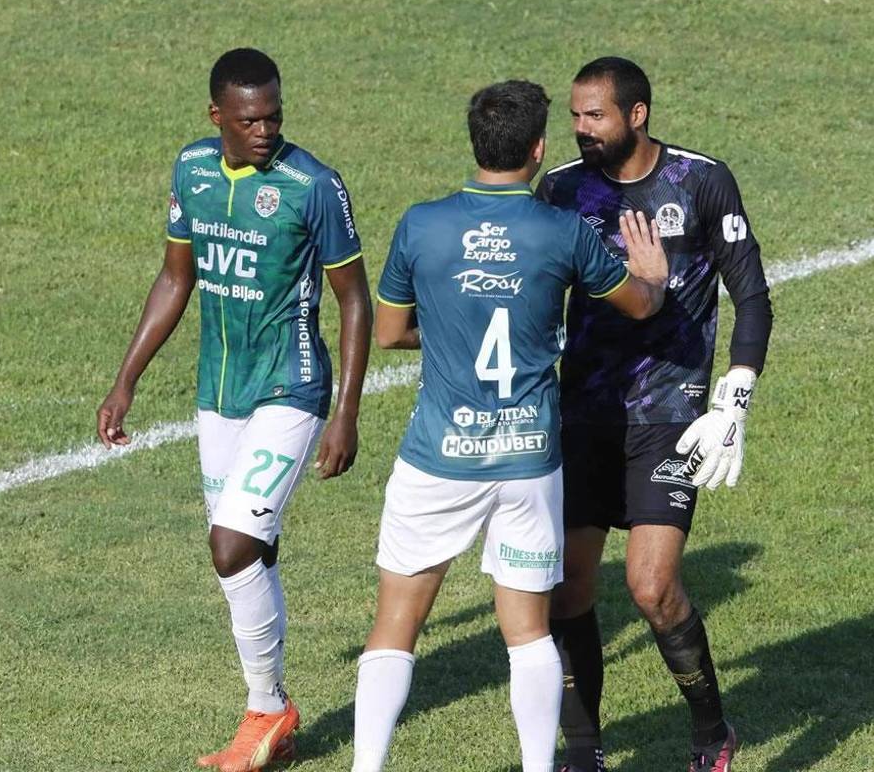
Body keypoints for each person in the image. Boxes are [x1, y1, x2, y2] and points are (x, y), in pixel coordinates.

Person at [351, 80, 668, 772]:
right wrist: (654, 275)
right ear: (538, 148)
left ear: (475, 144)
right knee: (527, 634)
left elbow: (390, 333)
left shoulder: (421, 225)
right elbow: (639, 306)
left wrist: (446, 337)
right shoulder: (561, 232)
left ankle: (366, 767)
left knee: (395, 627)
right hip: (527, 461)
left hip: (438, 457)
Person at [95, 47, 372, 772]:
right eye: (250, 119)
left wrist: (345, 412)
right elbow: (174, 277)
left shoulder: (313, 185)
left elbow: (353, 299)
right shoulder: (191, 169)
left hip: (291, 385)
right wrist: (126, 380)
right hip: (218, 393)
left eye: (275, 115)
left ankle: (264, 709)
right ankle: (276, 714)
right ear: (216, 116)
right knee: (252, 552)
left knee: (231, 547)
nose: (266, 130)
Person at [535, 56, 773, 772]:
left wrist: (732, 400)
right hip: (583, 413)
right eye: (574, 116)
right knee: (568, 587)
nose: (580, 128)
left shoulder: (700, 181)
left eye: (595, 115)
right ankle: (583, 751)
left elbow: (752, 297)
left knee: (652, 586)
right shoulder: (562, 192)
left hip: (670, 412)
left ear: (637, 115)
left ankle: (710, 733)